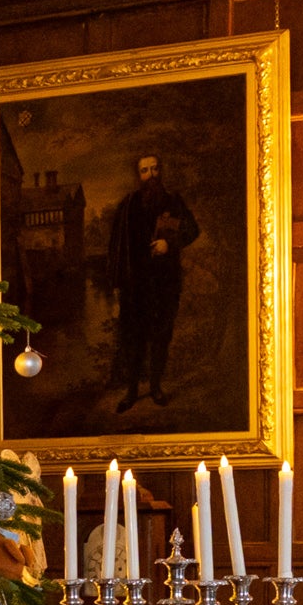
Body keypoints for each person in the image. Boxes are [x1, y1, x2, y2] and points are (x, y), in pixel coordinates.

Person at [101, 151, 202, 413]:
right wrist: (115, 288)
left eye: (155, 169)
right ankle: (132, 391)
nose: (150, 175)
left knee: (160, 337)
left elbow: (193, 230)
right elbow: (115, 247)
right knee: (133, 339)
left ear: (161, 171)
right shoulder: (128, 205)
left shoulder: (173, 201)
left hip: (165, 285)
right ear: (139, 175)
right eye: (145, 171)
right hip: (134, 287)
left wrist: (171, 243)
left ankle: (156, 386)